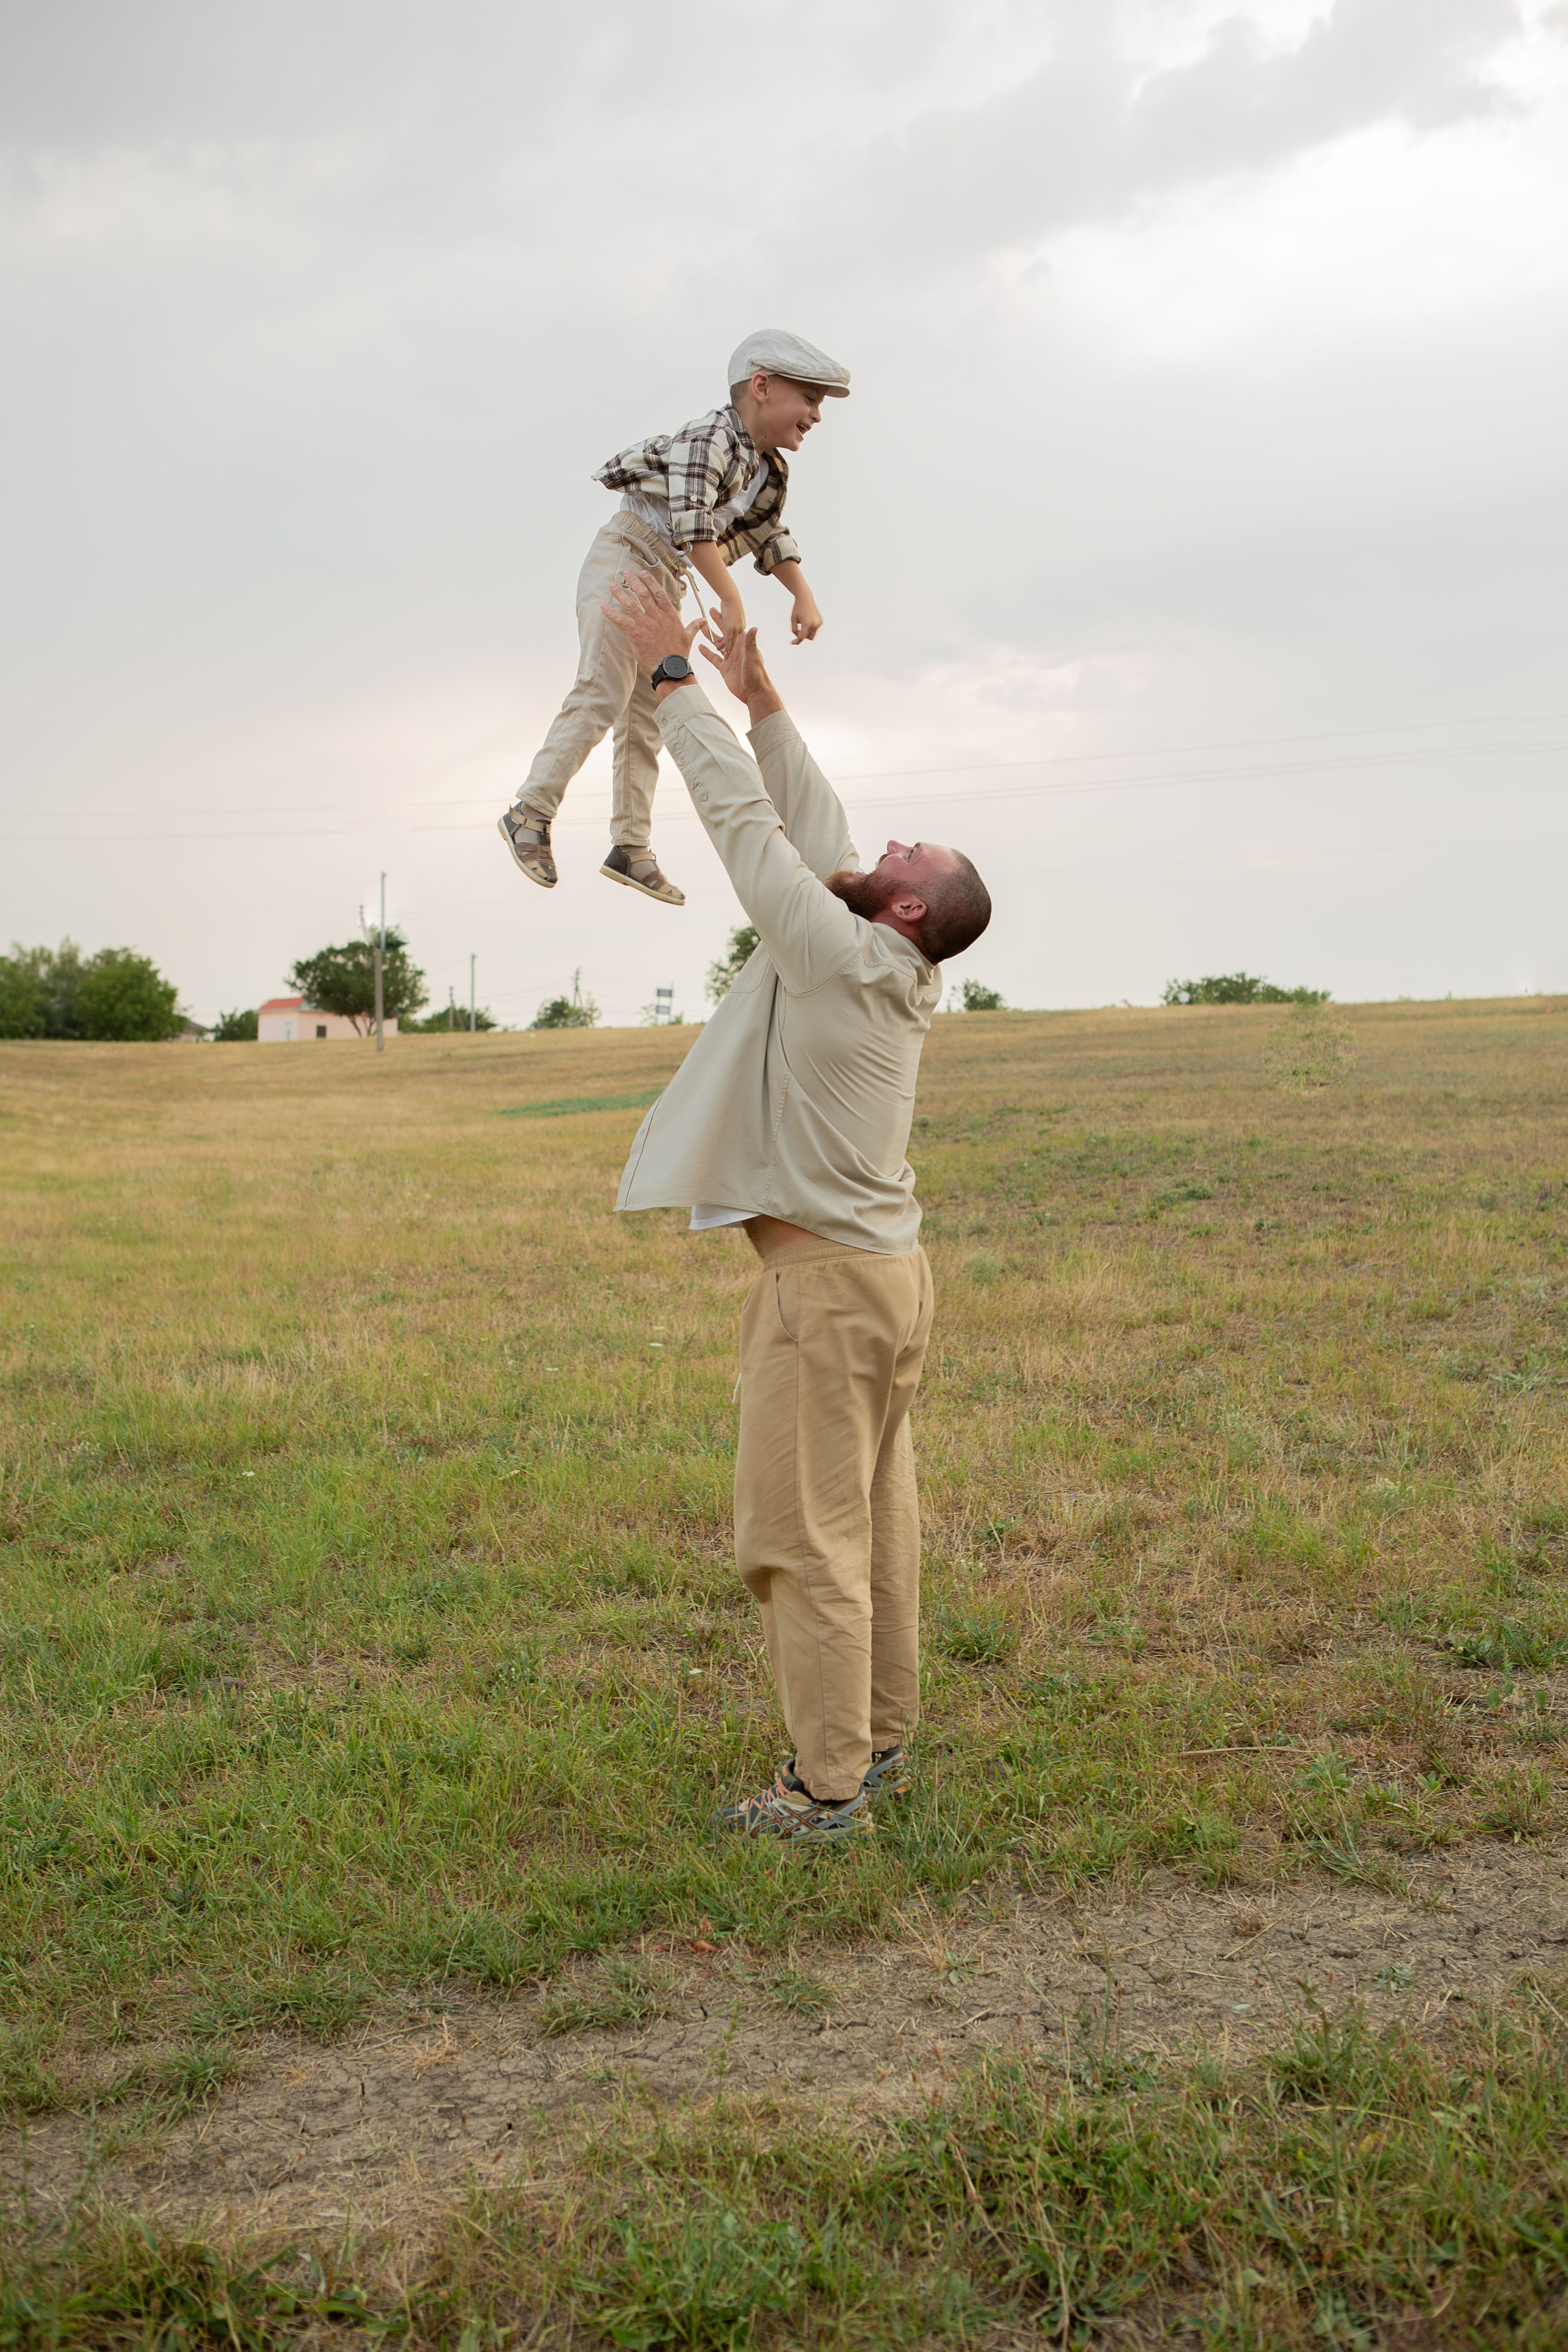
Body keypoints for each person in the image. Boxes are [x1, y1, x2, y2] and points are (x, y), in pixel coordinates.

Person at [603, 570, 992, 1845]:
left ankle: (822, 1791)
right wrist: (762, 698)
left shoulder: (834, 954)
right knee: (871, 1522)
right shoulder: (875, 952)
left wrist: (669, 683)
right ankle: (870, 1743)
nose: (876, 849)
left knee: (798, 1536)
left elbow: (749, 836)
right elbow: (816, 839)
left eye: (896, 859)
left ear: (903, 910)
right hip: (881, 1280)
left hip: (825, 1294)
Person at [497, 328, 849, 910]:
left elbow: (767, 535)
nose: (815, 414)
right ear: (761, 387)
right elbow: (691, 523)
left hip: (667, 578)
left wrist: (801, 593)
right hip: (628, 555)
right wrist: (730, 599)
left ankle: (630, 846)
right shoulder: (710, 437)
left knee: (648, 712)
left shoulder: (769, 470)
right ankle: (530, 811)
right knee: (604, 689)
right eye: (808, 398)